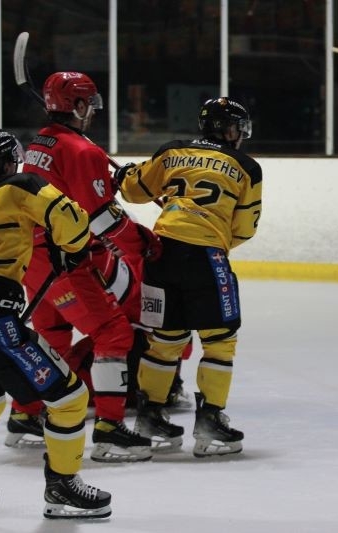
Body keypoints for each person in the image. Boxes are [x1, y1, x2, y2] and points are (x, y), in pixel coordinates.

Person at [0, 128, 111, 518]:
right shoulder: (22, 184)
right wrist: (73, 248)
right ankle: (62, 487)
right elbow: (70, 219)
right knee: (69, 398)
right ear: (10, 161)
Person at [8, 71, 159, 462]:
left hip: (34, 257)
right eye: (88, 102)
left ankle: (26, 415)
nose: (92, 109)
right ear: (76, 105)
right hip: (64, 258)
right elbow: (101, 218)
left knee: (52, 334)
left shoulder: (38, 143)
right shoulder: (82, 150)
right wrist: (138, 240)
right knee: (113, 333)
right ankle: (109, 432)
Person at [116, 97, 262, 457]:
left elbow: (133, 192)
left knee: (164, 339)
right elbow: (243, 229)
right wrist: (213, 236)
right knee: (220, 339)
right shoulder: (246, 166)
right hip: (206, 257)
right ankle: (210, 420)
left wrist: (125, 175)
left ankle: (149, 416)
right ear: (231, 131)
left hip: (161, 253)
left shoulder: (173, 151)